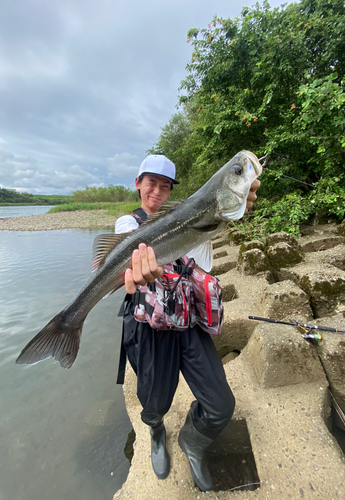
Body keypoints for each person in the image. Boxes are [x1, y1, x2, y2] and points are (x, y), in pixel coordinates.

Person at [115, 154, 260, 492]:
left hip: (189, 322)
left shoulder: (196, 212)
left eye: (165, 186)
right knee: (154, 403)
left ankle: (192, 441)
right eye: (151, 183)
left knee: (221, 404)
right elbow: (129, 263)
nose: (157, 191)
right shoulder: (127, 223)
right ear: (138, 183)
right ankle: (155, 431)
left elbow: (217, 218)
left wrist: (240, 200)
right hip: (149, 328)